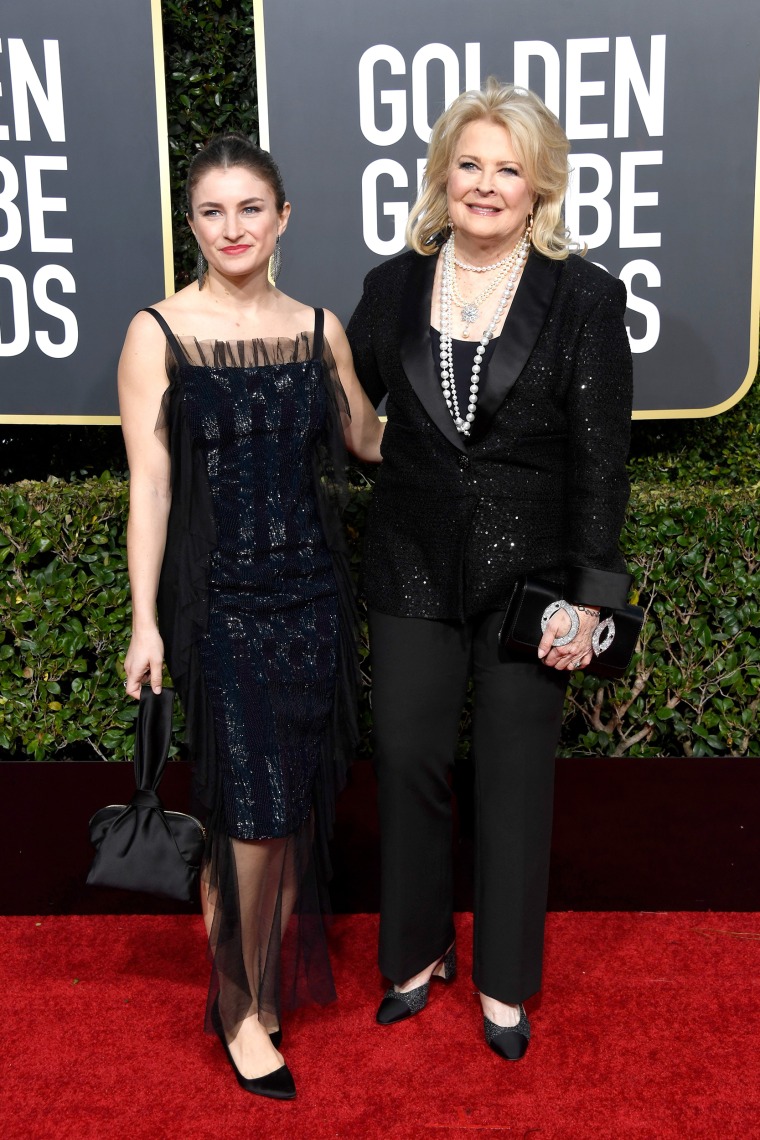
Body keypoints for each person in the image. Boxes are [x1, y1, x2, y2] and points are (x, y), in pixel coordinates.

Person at [347, 80, 633, 1061]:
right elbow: (351, 403)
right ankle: (416, 954)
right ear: (441, 174)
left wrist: (592, 598)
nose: (484, 184)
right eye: (468, 163)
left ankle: (505, 985)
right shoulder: (393, 284)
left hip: (533, 578)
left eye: (507, 168)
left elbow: (600, 462)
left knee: (514, 779)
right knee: (406, 763)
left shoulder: (588, 299)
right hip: (410, 562)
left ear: (539, 184)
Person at [119, 133, 383, 1099]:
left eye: (249, 209)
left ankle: (260, 986)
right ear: (192, 226)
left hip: (313, 598)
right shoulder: (159, 331)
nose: (232, 228)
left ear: (282, 219)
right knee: (253, 816)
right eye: (211, 212)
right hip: (221, 607)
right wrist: (145, 623)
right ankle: (238, 1007)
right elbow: (149, 488)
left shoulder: (319, 329)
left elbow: (364, 438)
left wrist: (470, 400)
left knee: (292, 810)